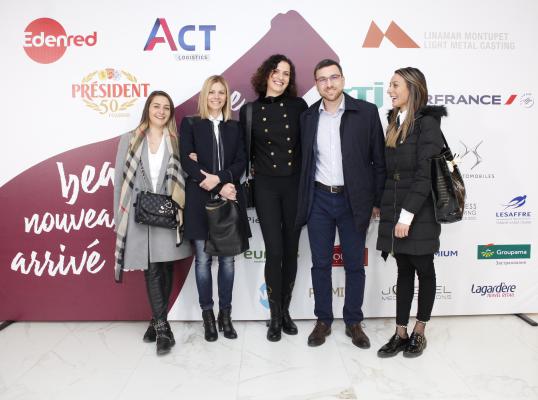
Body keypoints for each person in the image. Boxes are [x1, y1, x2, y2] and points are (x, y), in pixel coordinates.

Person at [296, 59, 386, 348]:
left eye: (333, 77)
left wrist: (376, 201)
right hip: (319, 199)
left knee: (354, 265)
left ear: (343, 80)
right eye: (322, 79)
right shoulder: (308, 117)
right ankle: (323, 320)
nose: (329, 83)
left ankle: (353, 322)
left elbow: (379, 161)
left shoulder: (366, 112)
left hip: (354, 200)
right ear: (316, 84)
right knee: (320, 264)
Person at [114, 90, 192, 356]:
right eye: (156, 106)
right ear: (148, 109)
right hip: (139, 213)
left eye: (166, 108)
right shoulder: (130, 139)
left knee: (166, 266)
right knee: (152, 267)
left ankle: (155, 321)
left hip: (168, 212)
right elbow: (119, 182)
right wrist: (119, 217)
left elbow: (184, 175)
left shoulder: (177, 141)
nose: (161, 111)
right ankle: (162, 328)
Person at [376, 67, 446, 358]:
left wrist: (406, 216)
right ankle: (400, 332)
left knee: (424, 270)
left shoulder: (427, 124)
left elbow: (424, 174)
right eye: (390, 85)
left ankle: (419, 330)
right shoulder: (394, 120)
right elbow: (390, 171)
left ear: (412, 89)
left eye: (395, 85)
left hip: (419, 212)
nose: (390, 91)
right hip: (395, 206)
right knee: (403, 269)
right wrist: (382, 206)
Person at [239, 54, 308, 342]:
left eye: (286, 73)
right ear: (266, 73)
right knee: (275, 252)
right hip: (266, 188)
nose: (280, 77)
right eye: (276, 71)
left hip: (294, 186)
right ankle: (275, 316)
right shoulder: (249, 111)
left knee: (291, 251)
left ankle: (286, 311)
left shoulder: (299, 106)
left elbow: (310, 147)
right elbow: (240, 152)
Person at [179, 75, 250, 342]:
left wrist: (219, 181)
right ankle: (207, 315)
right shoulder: (190, 124)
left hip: (229, 198)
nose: (217, 97)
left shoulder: (235, 127)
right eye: (212, 92)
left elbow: (241, 161)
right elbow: (187, 161)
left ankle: (225, 315)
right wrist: (216, 184)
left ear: (226, 97)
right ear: (204, 95)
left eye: (221, 92)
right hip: (199, 200)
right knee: (203, 261)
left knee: (228, 261)